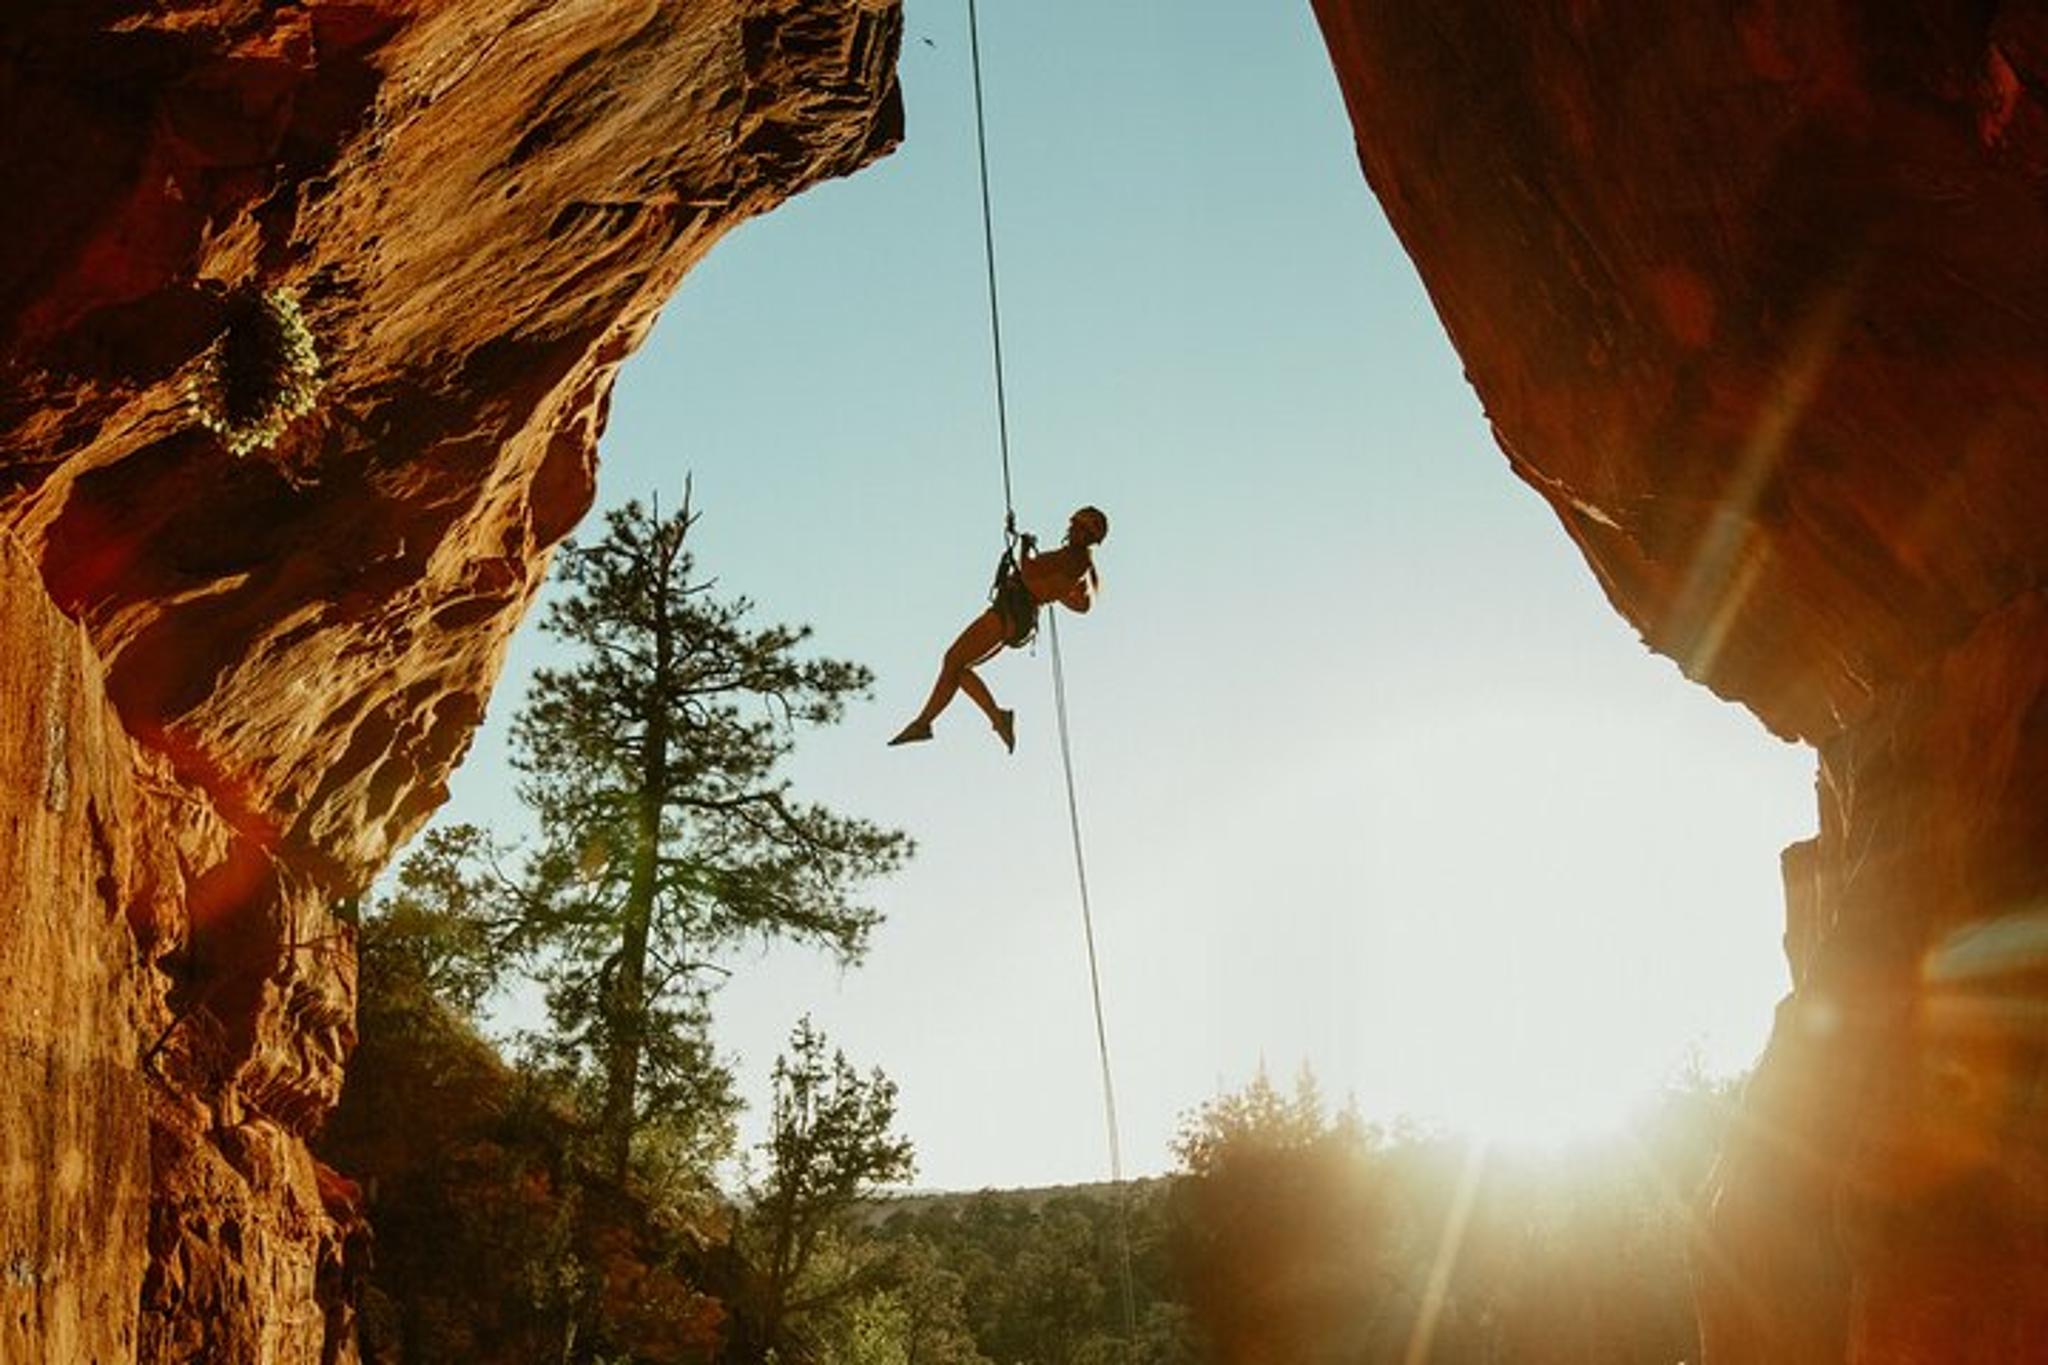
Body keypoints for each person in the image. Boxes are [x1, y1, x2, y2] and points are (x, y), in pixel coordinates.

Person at [890, 506, 1108, 752]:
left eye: (1078, 527)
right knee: (957, 669)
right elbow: (1073, 600)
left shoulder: (1074, 559)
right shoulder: (1077, 562)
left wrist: (1025, 547)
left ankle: (932, 723)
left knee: (953, 659)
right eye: (1075, 526)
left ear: (1086, 535)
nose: (1072, 530)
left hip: (1013, 610)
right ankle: (967, 719)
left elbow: (1030, 572)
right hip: (1017, 613)